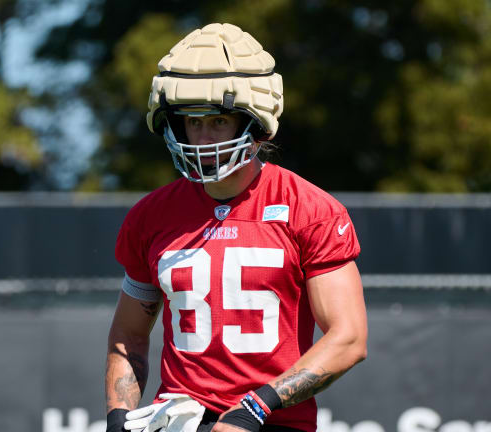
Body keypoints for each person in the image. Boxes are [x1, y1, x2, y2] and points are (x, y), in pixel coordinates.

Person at [106, 22, 368, 432]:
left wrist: (256, 407)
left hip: (270, 421)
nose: (203, 137)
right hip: (178, 421)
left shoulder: (309, 210)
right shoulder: (151, 216)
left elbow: (349, 338)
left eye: (218, 121)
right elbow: (128, 337)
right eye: (192, 122)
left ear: (255, 122)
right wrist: (118, 416)